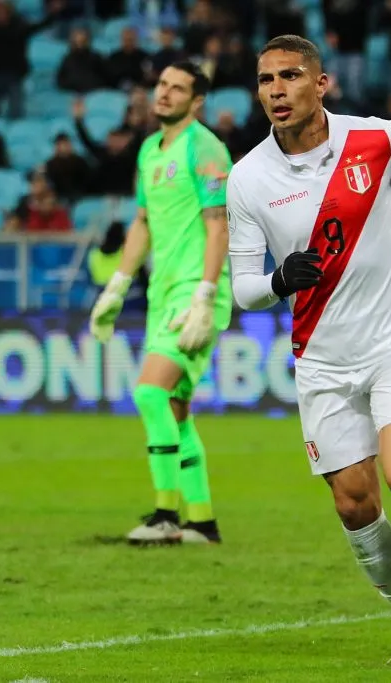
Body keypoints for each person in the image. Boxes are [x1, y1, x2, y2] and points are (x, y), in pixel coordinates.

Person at [227, 35, 391, 669]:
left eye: (289, 76)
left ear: (321, 83)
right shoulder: (248, 177)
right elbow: (245, 289)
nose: (275, 90)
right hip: (323, 359)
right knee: (354, 504)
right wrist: (281, 280)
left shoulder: (375, 140)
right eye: (264, 80)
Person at [88, 61, 233, 546]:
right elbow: (143, 223)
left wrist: (206, 293)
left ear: (197, 102)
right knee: (175, 407)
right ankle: (203, 521)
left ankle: (166, 515)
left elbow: (219, 223)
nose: (165, 93)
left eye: (178, 88)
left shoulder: (206, 146)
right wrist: (118, 283)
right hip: (161, 291)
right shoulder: (150, 150)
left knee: (149, 393)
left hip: (196, 289)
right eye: (162, 85)